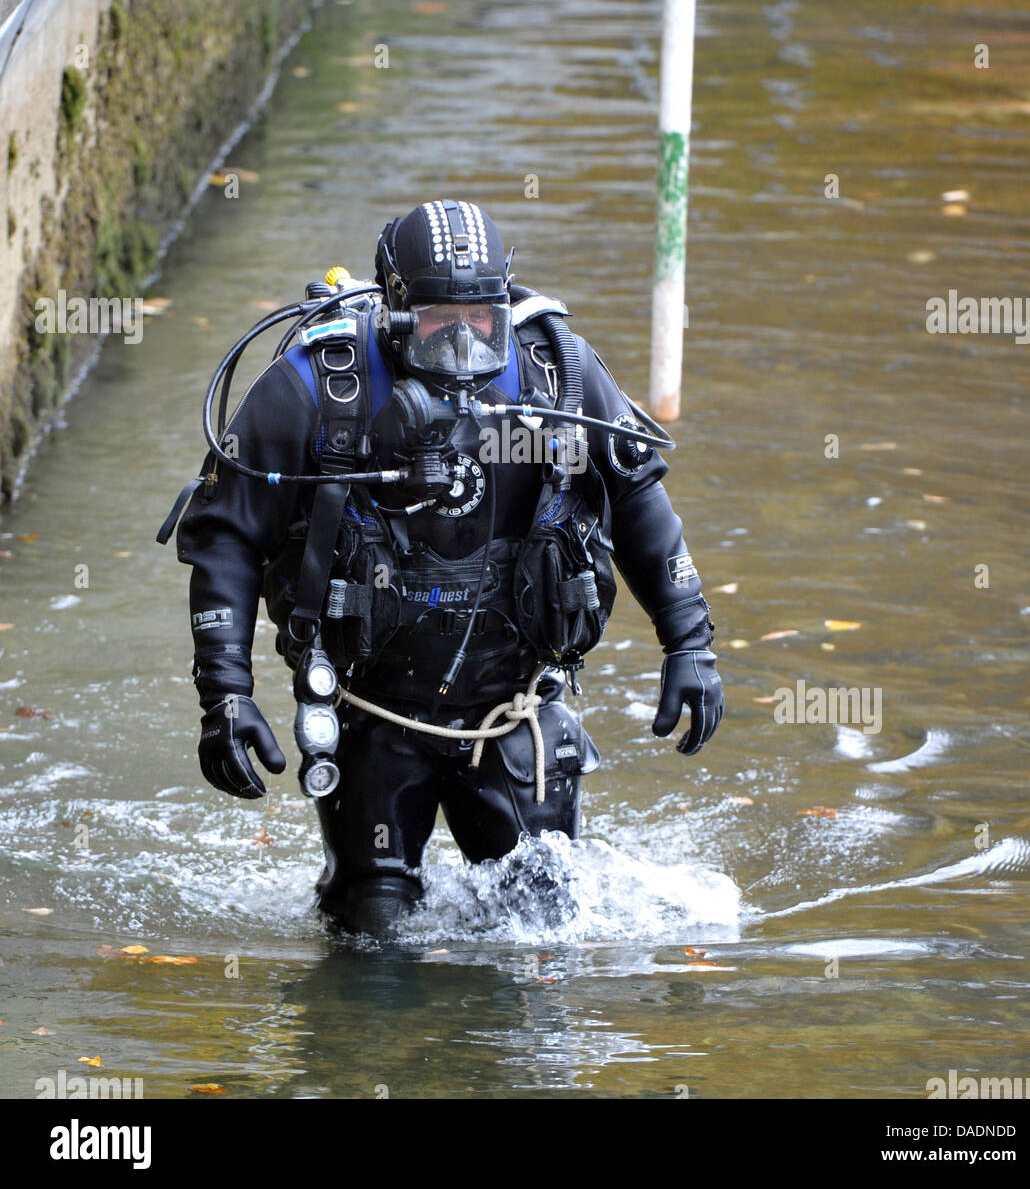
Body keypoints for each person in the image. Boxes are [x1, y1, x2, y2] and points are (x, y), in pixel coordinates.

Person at [166, 199, 724, 937]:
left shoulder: (557, 376)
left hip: (516, 708)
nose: (463, 342)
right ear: (395, 310)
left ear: (503, 306)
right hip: (374, 715)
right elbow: (224, 535)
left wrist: (690, 641)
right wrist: (225, 695)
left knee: (545, 934)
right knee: (372, 934)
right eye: (437, 323)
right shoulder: (319, 390)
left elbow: (639, 499)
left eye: (481, 321)